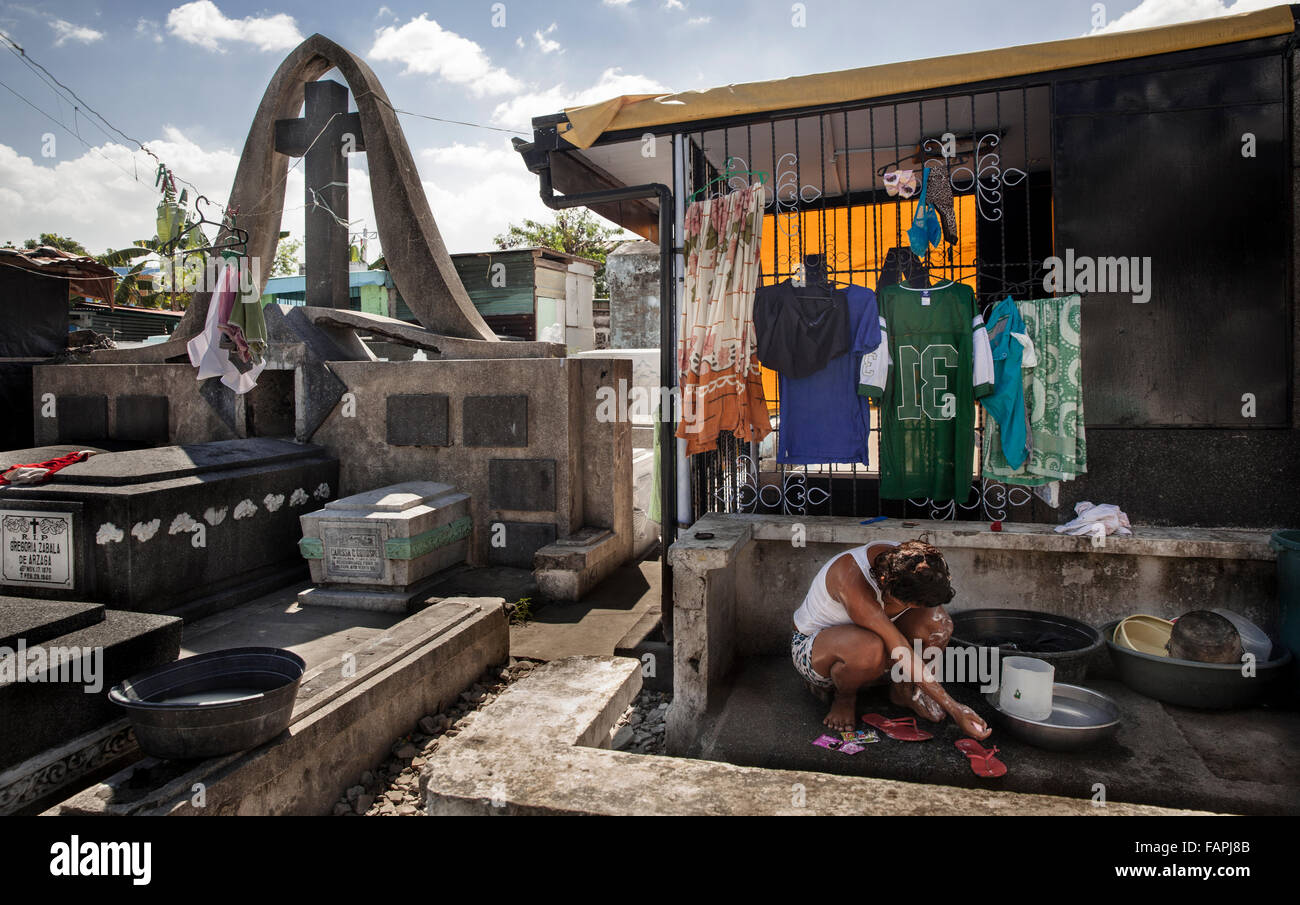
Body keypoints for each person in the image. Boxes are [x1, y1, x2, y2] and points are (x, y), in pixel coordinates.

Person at [791, 538, 991, 739]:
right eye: (911, 604)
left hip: (870, 641)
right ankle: (844, 698)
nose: (914, 608)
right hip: (814, 650)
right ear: (886, 584)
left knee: (939, 625)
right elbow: (900, 648)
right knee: (869, 648)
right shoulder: (851, 580)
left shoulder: (910, 562)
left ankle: (904, 691)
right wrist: (954, 708)